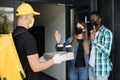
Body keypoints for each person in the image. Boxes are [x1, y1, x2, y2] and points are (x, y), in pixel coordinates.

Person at [13, 3, 66, 80]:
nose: (32, 19)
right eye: (32, 16)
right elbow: (36, 68)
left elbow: (23, 58)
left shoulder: (14, 34)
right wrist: (54, 60)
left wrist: (40, 60)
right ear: (27, 17)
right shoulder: (28, 38)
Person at [89, 11, 113, 80]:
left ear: (99, 19)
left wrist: (94, 41)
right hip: (91, 65)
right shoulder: (92, 32)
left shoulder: (107, 32)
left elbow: (107, 52)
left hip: (101, 68)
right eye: (91, 20)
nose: (92, 21)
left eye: (94, 19)